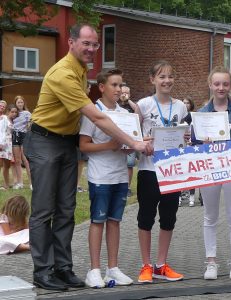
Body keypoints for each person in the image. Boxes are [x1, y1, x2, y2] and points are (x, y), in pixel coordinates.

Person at [23, 23, 153, 291]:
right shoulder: (63, 74)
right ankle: (43, 271)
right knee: (44, 210)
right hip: (44, 140)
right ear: (71, 42)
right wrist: (133, 142)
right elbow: (95, 116)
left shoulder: (82, 71)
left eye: (95, 44)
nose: (92, 49)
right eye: (87, 43)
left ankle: (63, 269)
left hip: (67, 143)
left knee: (66, 210)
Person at [80, 69, 134, 288]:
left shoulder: (124, 113)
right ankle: (94, 270)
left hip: (121, 175)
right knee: (98, 221)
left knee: (115, 222)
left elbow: (128, 142)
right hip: (100, 175)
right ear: (102, 87)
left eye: (121, 85)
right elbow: (83, 145)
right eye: (114, 85)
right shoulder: (93, 112)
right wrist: (109, 146)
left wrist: (128, 147)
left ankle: (113, 269)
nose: (119, 89)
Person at [197, 66, 231, 280]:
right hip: (210, 169)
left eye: (225, 84)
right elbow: (194, 144)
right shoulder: (201, 113)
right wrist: (202, 141)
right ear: (210, 85)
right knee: (209, 216)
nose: (221, 87)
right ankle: (211, 262)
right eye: (217, 83)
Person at [135, 60, 187, 283]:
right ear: (152, 80)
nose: (167, 81)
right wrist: (142, 142)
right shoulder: (143, 105)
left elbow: (184, 135)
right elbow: (133, 134)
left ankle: (161, 265)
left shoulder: (181, 107)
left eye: (170, 76)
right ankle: (146, 265)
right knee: (145, 218)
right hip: (148, 169)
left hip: (172, 170)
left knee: (168, 218)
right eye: (162, 76)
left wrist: (185, 137)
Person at [117, 85, 137, 197]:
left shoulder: (132, 105)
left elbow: (138, 111)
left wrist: (128, 100)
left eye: (126, 93)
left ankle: (128, 187)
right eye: (122, 92)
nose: (124, 95)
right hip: (118, 137)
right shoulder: (116, 105)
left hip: (130, 138)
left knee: (129, 164)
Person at [12, 96, 32, 190]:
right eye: (18, 102)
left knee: (26, 160)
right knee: (17, 160)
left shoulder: (27, 113)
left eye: (21, 102)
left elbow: (31, 123)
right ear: (15, 103)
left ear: (24, 103)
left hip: (24, 136)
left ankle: (32, 183)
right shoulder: (14, 113)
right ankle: (20, 183)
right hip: (15, 136)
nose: (20, 104)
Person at [179, 96, 196, 207]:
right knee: (181, 172)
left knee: (192, 173)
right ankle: (179, 197)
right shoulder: (179, 118)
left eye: (187, 103)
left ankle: (192, 197)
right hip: (181, 148)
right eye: (183, 102)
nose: (185, 105)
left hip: (192, 147)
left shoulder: (194, 117)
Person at [77, 83, 92, 193]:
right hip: (77, 133)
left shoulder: (88, 101)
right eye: (89, 88)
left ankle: (77, 184)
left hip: (85, 133)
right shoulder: (78, 100)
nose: (90, 90)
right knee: (76, 160)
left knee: (81, 161)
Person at [0, 103, 17, 190]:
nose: (14, 113)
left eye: (15, 112)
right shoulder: (4, 118)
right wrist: (1, 144)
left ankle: (6, 183)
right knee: (4, 165)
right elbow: (1, 131)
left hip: (9, 145)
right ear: (8, 111)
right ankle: (5, 185)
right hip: (4, 144)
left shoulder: (12, 120)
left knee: (7, 166)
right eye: (12, 112)